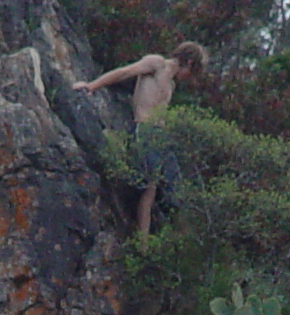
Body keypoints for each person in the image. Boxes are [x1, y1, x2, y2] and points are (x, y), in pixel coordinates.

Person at [79, 42, 204, 236]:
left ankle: (177, 244)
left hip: (162, 137)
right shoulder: (156, 64)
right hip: (145, 129)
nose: (189, 78)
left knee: (177, 192)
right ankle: (143, 242)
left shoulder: (171, 83)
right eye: (192, 72)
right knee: (149, 185)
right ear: (188, 62)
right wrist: (92, 86)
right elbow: (124, 72)